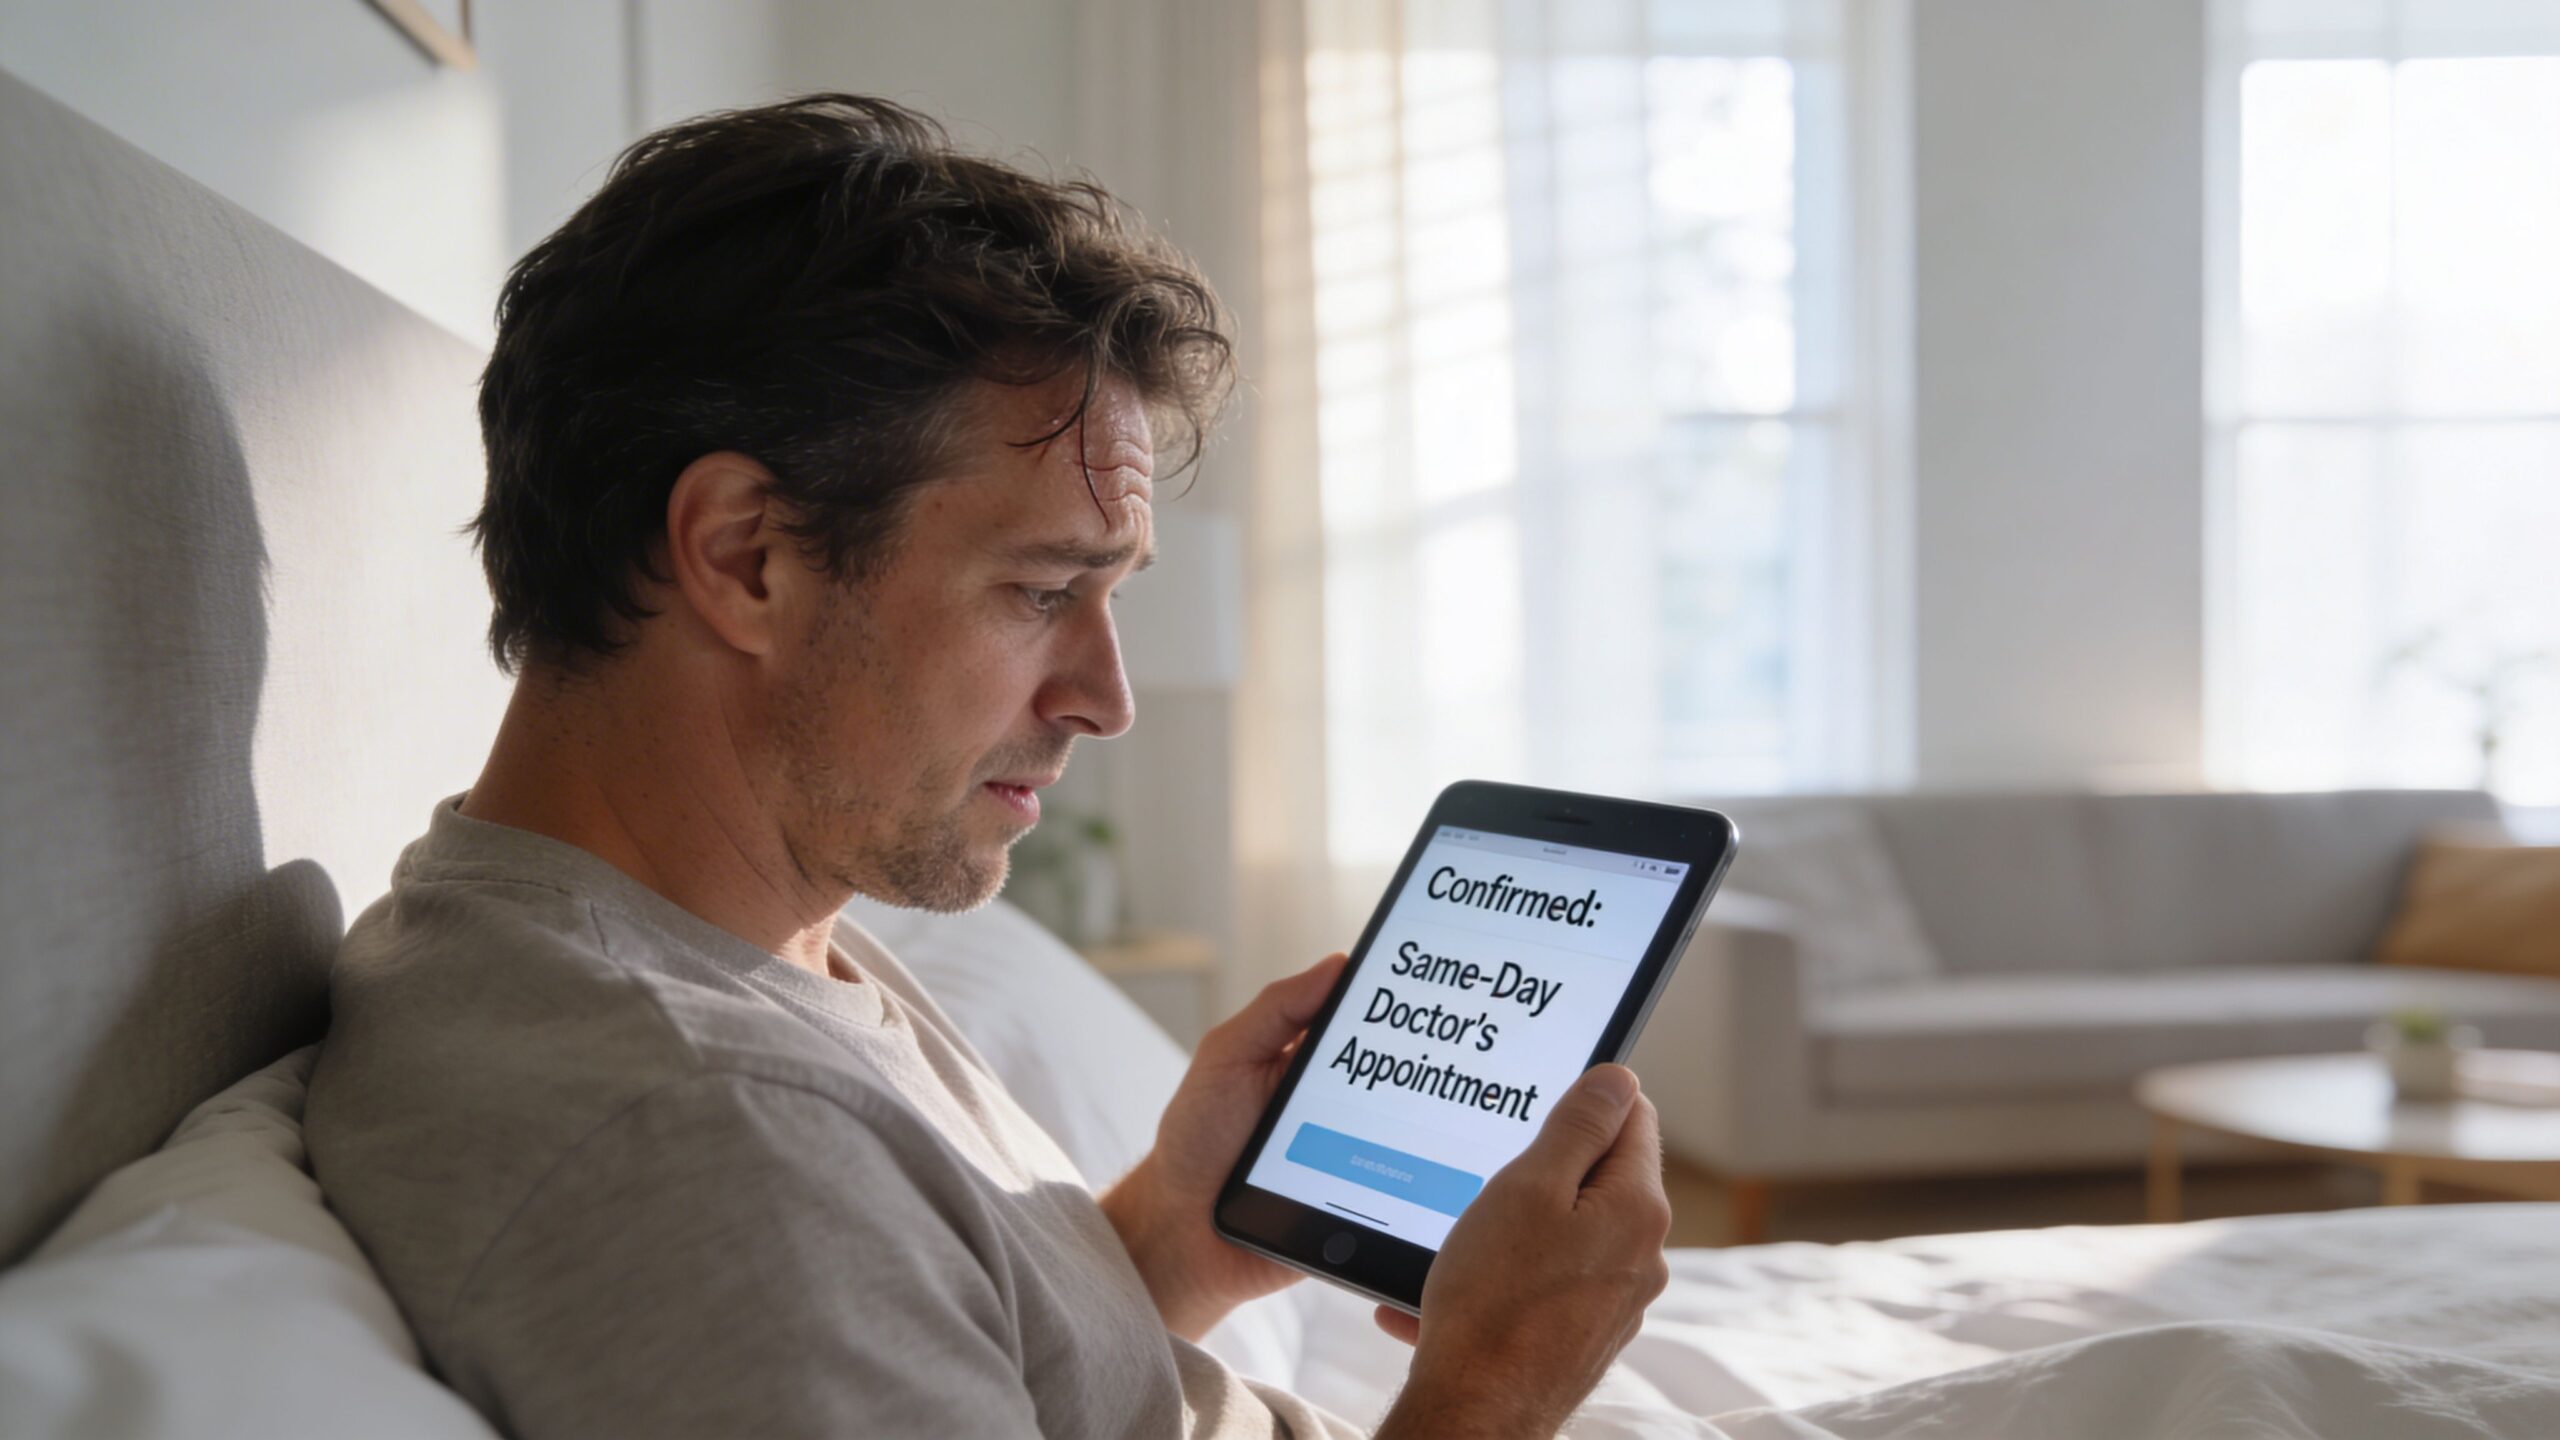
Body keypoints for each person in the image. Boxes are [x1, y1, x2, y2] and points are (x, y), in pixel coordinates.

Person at [305, 94, 1670, 1439]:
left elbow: (975, 1352)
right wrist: (1493, 1388)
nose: (1107, 700)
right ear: (743, 557)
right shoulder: (699, 1138)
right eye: (1039, 591)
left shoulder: (718, 937)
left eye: (1111, 594)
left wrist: (1169, 1245)